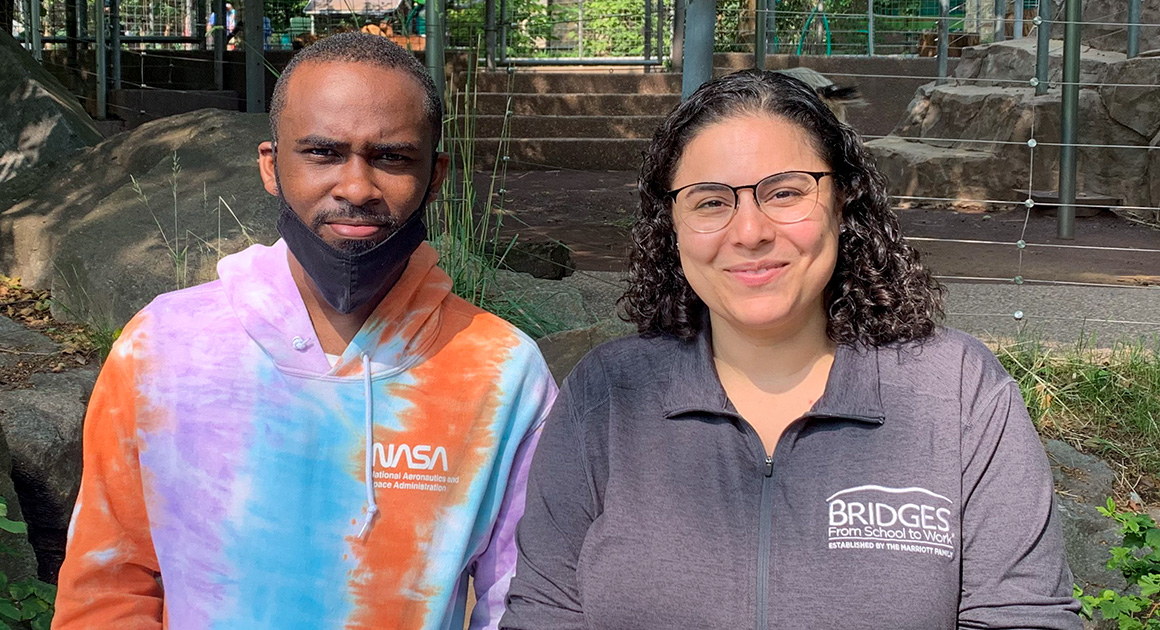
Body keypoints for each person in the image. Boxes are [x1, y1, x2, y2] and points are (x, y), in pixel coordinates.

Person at [502, 69, 1081, 630]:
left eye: (784, 193)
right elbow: (545, 613)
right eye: (709, 201)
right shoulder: (607, 395)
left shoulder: (954, 392)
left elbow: (1021, 616)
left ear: (844, 200)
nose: (749, 231)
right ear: (671, 224)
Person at [53, 32, 556, 630]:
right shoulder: (161, 345)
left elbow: (517, 605)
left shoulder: (503, 370)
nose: (356, 187)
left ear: (435, 174)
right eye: (322, 153)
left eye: (391, 157)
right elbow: (108, 589)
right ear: (271, 166)